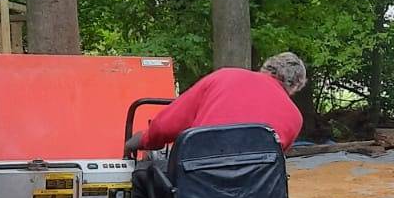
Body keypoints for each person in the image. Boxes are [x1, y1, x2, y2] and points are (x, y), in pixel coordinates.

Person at [125, 52, 307, 154]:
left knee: (143, 177)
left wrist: (146, 139)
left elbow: (167, 125)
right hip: (253, 197)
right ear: (296, 86)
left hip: (200, 183)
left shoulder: (225, 77)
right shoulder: (294, 117)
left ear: (266, 67)